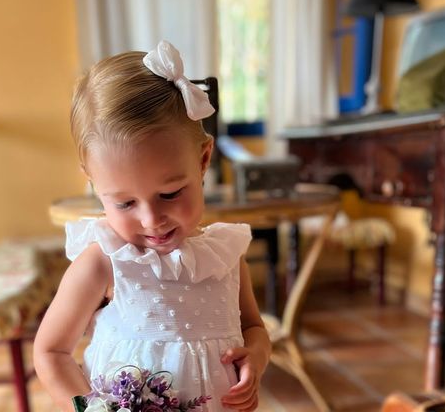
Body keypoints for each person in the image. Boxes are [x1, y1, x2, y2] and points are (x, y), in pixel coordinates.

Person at [34, 40, 271, 412]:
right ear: (95, 184)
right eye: (125, 202)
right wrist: (88, 409)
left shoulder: (222, 256)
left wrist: (254, 359)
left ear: (204, 159)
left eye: (171, 193)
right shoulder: (105, 261)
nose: (151, 219)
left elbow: (255, 328)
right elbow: (51, 351)